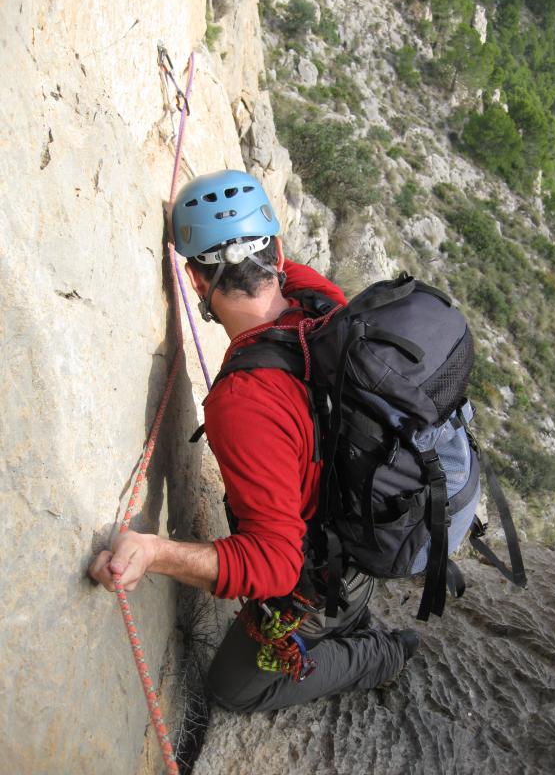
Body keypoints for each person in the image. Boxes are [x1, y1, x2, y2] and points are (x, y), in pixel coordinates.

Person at [89, 169, 419, 712]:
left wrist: (153, 552)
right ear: (279, 253)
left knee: (234, 688)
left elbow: (273, 566)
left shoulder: (243, 402)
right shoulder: (321, 302)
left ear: (196, 281)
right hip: (364, 532)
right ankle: (351, 615)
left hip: (315, 577)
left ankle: (380, 655)